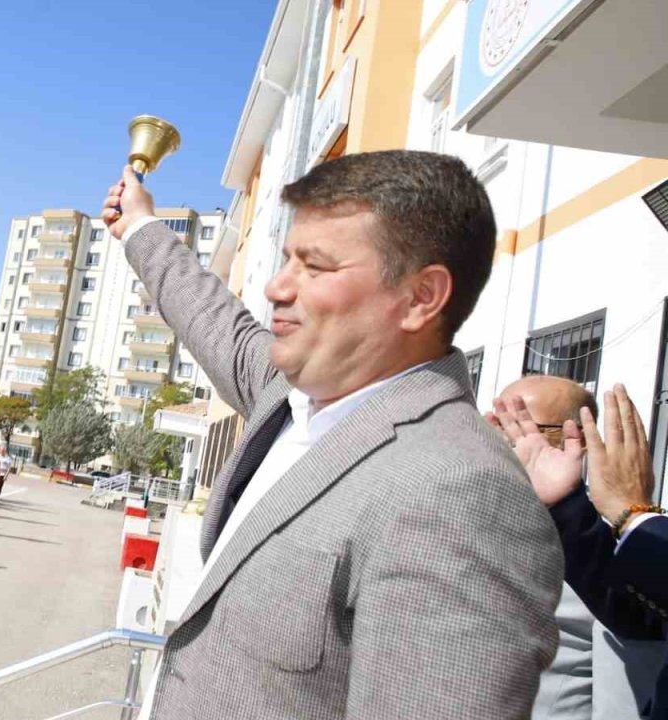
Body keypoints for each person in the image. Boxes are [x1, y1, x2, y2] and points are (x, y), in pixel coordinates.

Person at [102, 151, 563, 719]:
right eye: (286, 260)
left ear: (422, 297)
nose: (275, 287)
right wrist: (141, 227)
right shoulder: (291, 396)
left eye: (314, 267)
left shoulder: (461, 492)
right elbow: (212, 318)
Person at [487, 375, 662, 719]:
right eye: (491, 422)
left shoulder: (608, 554)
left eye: (519, 424)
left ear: (577, 439)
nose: (497, 437)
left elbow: (625, 697)